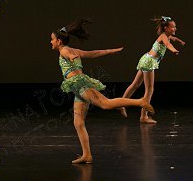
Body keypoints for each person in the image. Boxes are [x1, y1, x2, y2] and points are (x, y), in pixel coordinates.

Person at [52, 18, 154, 164]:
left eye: (52, 39)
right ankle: (87, 155)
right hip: (77, 88)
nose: (51, 42)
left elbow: (68, 54)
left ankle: (140, 102)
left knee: (105, 104)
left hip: (80, 85)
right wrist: (109, 51)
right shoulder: (73, 50)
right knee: (78, 123)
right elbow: (94, 53)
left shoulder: (65, 50)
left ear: (59, 41)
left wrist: (71, 57)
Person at [119, 16, 185, 123]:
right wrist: (173, 50)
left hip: (146, 58)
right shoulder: (163, 37)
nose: (175, 29)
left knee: (135, 85)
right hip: (149, 62)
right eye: (173, 27)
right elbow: (168, 44)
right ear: (166, 28)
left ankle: (120, 104)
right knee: (149, 89)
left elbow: (172, 39)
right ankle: (143, 116)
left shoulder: (167, 36)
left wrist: (179, 41)